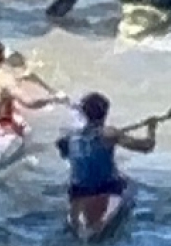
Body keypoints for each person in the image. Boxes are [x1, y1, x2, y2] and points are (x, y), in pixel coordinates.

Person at [56, 91, 156, 235]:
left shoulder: (68, 137)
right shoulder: (109, 133)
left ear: (84, 114)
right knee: (131, 185)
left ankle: (79, 222)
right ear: (105, 113)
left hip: (77, 191)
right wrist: (151, 128)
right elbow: (147, 146)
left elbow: (65, 154)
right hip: (107, 188)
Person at [0, 41, 63, 137]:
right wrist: (52, 99)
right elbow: (29, 102)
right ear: (2, 58)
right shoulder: (3, 77)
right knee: (31, 131)